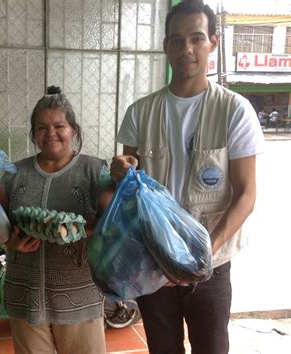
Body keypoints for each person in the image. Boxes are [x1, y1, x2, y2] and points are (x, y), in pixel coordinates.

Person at [111, 1, 265, 353]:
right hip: (153, 261)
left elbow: (246, 195)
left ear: (213, 42)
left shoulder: (234, 110)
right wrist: (119, 170)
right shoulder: (140, 112)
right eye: (177, 40)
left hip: (211, 264)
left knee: (211, 347)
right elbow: (127, 182)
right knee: (162, 348)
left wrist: (203, 253)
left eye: (196, 38)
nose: (187, 49)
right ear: (166, 46)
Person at [0, 86, 110, 354]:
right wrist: (10, 240)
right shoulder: (15, 174)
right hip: (26, 294)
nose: (50, 133)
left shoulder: (95, 171)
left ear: (73, 130)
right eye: (42, 128)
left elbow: (114, 224)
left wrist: (78, 229)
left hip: (79, 298)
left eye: (59, 125)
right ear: (34, 134)